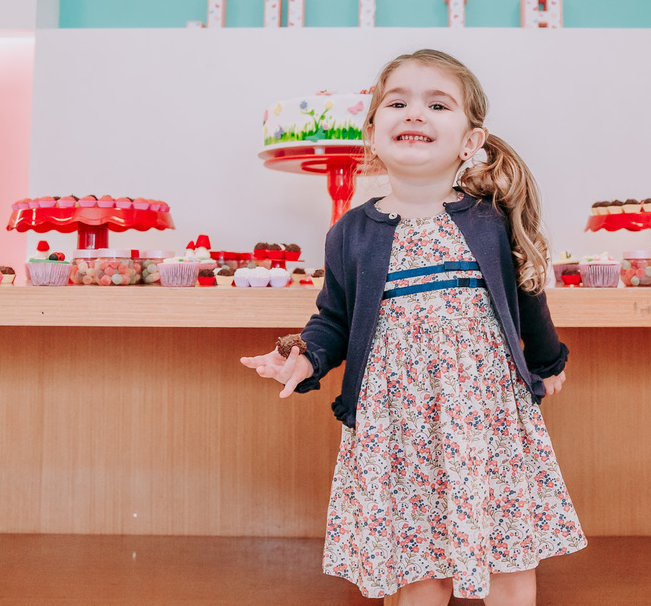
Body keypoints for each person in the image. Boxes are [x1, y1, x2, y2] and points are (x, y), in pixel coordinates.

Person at [240, 49, 586, 605]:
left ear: (471, 141)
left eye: (438, 104)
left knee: (508, 557)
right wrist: (303, 359)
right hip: (396, 426)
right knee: (416, 565)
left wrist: (547, 366)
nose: (415, 113)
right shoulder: (351, 232)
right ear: (372, 134)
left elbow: (528, 298)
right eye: (397, 102)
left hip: (485, 422)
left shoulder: (492, 222)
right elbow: (333, 318)